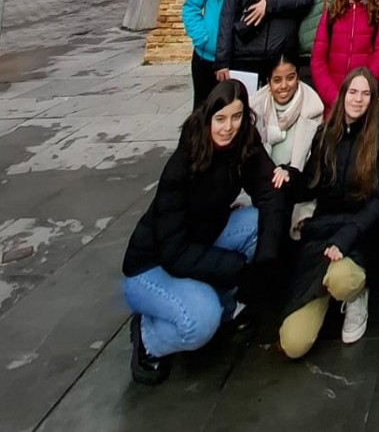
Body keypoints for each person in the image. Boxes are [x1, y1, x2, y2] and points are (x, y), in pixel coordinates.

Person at [122, 79, 290, 385]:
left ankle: (224, 307)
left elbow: (269, 191)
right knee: (199, 322)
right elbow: (174, 252)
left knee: (257, 222)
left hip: (202, 239)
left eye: (236, 117)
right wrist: (239, 271)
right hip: (153, 265)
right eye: (220, 119)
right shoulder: (183, 164)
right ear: (208, 117)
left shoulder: (241, 142)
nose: (228, 127)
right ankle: (148, 337)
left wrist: (265, 261)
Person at [278, 68, 379, 355]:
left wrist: (347, 235)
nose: (358, 99)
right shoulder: (326, 134)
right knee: (293, 344)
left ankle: (356, 296)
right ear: (343, 95)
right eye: (353, 92)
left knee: (342, 280)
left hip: (361, 233)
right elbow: (311, 184)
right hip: (323, 230)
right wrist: (287, 176)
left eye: (366, 94)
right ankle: (324, 293)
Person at [311, 0, 379, 113]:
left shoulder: (377, 16)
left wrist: (363, 90)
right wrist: (334, 97)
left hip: (361, 100)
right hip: (332, 100)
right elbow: (318, 59)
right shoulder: (332, 14)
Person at [250, 48, 325, 175]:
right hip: (262, 183)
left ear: (298, 77)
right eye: (277, 80)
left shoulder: (313, 109)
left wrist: (289, 174)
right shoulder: (255, 107)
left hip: (298, 184)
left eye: (290, 78)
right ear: (268, 82)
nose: (284, 86)